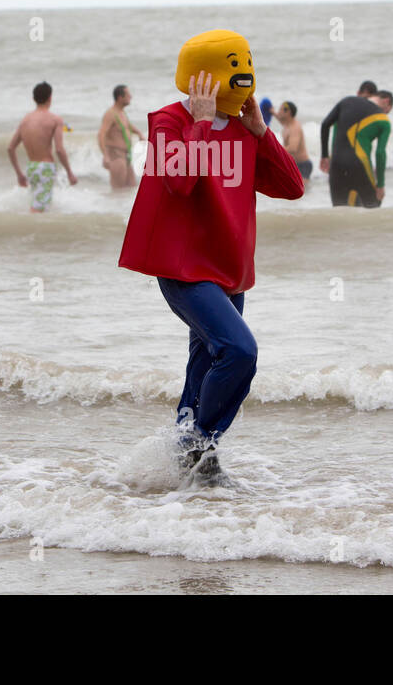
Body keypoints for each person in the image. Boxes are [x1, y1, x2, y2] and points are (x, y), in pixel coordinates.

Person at [118, 29, 304, 485]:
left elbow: (292, 188)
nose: (242, 73)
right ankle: (196, 444)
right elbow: (179, 181)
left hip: (230, 269)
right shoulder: (167, 121)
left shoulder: (245, 127)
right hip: (183, 267)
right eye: (232, 64)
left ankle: (193, 467)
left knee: (202, 366)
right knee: (240, 352)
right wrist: (200, 122)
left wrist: (261, 132)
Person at [8, 82, 78, 212]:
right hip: (45, 168)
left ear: (34, 99)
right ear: (50, 98)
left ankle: (34, 231)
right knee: (38, 209)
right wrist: (69, 173)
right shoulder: (55, 120)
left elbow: (10, 148)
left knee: (39, 204)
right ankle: (29, 230)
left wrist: (19, 174)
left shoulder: (25, 120)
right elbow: (59, 149)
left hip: (31, 168)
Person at [319, 90, 393, 207]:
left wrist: (324, 156)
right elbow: (380, 153)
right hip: (360, 165)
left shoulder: (346, 101)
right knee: (373, 207)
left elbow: (325, 124)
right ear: (386, 101)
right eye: (387, 111)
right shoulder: (383, 120)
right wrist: (381, 185)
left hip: (336, 164)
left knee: (340, 210)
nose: (385, 113)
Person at [98, 84, 143, 190]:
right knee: (118, 191)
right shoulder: (110, 114)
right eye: (128, 95)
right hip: (116, 156)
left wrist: (139, 133)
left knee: (131, 188)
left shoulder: (121, 112)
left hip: (126, 156)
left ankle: (124, 207)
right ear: (120, 97)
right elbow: (101, 134)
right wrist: (105, 155)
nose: (131, 97)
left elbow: (127, 126)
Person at [275, 101, 312, 184]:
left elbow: (293, 148)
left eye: (280, 110)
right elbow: (278, 117)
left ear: (288, 112)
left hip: (303, 165)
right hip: (292, 165)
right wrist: (270, 110)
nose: (278, 112)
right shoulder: (286, 123)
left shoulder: (295, 128)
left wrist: (275, 150)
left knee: (303, 194)